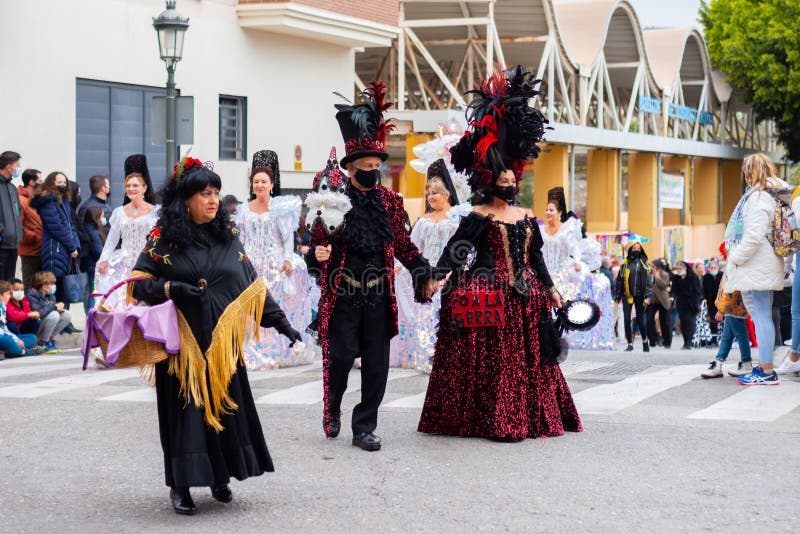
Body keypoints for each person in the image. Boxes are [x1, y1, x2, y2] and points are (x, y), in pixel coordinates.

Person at [127, 157, 302, 515]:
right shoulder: (162, 240)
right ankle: (180, 486)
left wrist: (282, 323)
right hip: (182, 347)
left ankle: (219, 475)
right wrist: (171, 288)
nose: (212, 200)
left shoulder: (228, 237)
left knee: (224, 411)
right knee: (184, 417)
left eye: (216, 193)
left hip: (222, 346)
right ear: (185, 200)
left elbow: (252, 285)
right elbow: (137, 285)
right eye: (204, 193)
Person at [418, 66, 581, 441]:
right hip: (491, 294)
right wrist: (436, 278)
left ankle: (526, 416)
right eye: (503, 181)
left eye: (513, 181)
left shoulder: (526, 216)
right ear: (490, 181)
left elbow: (536, 259)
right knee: (495, 365)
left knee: (530, 363)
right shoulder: (478, 215)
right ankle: (494, 418)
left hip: (526, 298)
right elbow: (455, 252)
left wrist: (554, 292)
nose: (509, 186)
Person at [306, 80, 440, 451]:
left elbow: (402, 243)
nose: (372, 171)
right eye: (365, 166)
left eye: (377, 165)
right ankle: (331, 407)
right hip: (344, 293)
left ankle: (364, 425)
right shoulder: (332, 200)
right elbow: (317, 245)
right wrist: (316, 255)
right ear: (351, 168)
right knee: (341, 357)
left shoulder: (391, 202)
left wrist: (422, 271)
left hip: (379, 295)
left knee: (378, 367)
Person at [233, 150, 314, 369]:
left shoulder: (281, 209)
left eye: (263, 181)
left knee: (274, 308)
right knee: (249, 310)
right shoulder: (242, 210)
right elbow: (238, 240)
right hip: (250, 266)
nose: (259, 185)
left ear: (271, 184)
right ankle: (250, 351)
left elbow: (287, 238)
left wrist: (287, 260)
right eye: (256, 181)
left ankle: (277, 351)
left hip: (274, 265)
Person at [391, 159, 470, 372]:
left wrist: (449, 273)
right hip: (427, 273)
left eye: (435, 192)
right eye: (428, 194)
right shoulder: (424, 221)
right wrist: (400, 266)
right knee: (424, 313)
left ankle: (448, 354)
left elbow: (463, 249)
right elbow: (412, 247)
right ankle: (428, 354)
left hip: (451, 274)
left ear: (446, 194)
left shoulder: (457, 219)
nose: (431, 197)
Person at [724, 153, 790, 385]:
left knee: (762, 317)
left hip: (757, 263)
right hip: (763, 262)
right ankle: (765, 368)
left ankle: (766, 370)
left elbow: (753, 237)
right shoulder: (770, 195)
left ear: (751, 172)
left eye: (746, 170)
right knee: (763, 316)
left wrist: (735, 258)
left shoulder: (759, 197)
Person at [541, 187, 612, 350]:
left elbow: (575, 249)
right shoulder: (541, 231)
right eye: (546, 210)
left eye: (551, 210)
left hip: (561, 273)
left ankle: (566, 337)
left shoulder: (566, 231)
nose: (548, 212)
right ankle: (548, 337)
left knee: (565, 303)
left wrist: (578, 262)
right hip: (545, 273)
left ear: (559, 213)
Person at [95, 154, 158, 310]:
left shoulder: (155, 212)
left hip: (146, 264)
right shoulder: (119, 212)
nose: (131, 189)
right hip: (125, 264)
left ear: (144, 188)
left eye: (135, 185)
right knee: (122, 304)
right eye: (128, 186)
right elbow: (112, 239)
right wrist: (103, 259)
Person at [29, 172, 80, 309]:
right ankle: (55, 316)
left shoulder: (64, 201)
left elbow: (70, 225)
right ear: (51, 183)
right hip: (55, 248)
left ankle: (65, 318)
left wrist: (75, 245)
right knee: (54, 284)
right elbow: (56, 227)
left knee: (64, 285)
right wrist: (71, 247)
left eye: (64, 182)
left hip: (66, 248)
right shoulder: (48, 201)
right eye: (59, 183)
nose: (62, 185)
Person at [701, 275, 752, 378]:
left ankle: (746, 364)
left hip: (733, 306)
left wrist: (721, 310)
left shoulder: (734, 262)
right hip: (735, 305)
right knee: (727, 337)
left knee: (740, 336)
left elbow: (730, 289)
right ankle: (719, 364)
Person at [614, 241, 653, 352]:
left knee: (640, 319)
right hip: (627, 295)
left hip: (641, 295)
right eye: (634, 248)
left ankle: (645, 341)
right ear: (630, 249)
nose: (636, 250)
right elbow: (619, 281)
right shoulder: (625, 263)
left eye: (638, 248)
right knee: (627, 319)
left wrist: (648, 297)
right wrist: (617, 297)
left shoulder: (645, 264)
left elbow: (650, 283)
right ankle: (630, 344)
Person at [27, 270, 71, 352]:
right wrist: (54, 306)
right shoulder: (31, 295)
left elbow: (52, 307)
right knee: (54, 315)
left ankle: (49, 338)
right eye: (51, 284)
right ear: (43, 285)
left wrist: (60, 306)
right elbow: (39, 313)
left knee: (66, 314)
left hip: (44, 323)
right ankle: (44, 341)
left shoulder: (50, 295)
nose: (53, 286)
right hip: (35, 326)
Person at [0, 280, 42, 357]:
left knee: (32, 338)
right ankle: (25, 352)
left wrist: (16, 339)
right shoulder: (5, 305)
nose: (9, 296)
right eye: (8, 294)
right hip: (3, 336)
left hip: (8, 333)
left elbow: (4, 328)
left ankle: (7, 351)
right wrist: (14, 340)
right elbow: (11, 318)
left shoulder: (3, 307)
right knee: (8, 340)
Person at [17, 168, 44, 288]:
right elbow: (19, 226)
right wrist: (35, 237)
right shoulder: (21, 200)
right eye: (40, 180)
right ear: (32, 182)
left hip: (41, 249)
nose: (42, 184)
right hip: (30, 252)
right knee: (30, 285)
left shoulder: (37, 200)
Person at [0, 151, 23, 280]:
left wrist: (20, 232)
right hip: (1, 244)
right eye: (17, 165)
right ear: (9, 167)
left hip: (13, 245)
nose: (19, 168)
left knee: (9, 284)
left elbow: (17, 212)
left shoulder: (12, 187)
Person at [81, 206, 107, 310]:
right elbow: (98, 250)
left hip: (90, 264)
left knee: (90, 290)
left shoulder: (88, 228)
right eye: (102, 215)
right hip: (94, 265)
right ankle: (91, 314)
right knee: (93, 291)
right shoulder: (93, 231)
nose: (103, 218)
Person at [646, 259, 673, 348]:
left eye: (653, 266)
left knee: (665, 322)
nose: (651, 268)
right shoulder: (648, 274)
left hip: (663, 301)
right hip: (652, 300)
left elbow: (664, 286)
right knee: (649, 320)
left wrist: (657, 277)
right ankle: (653, 340)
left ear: (657, 267)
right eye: (651, 266)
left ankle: (667, 342)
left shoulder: (665, 274)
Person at [702, 260, 723, 346]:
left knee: (723, 320)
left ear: (718, 268)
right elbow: (703, 289)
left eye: (714, 267)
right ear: (708, 268)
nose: (713, 269)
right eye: (711, 268)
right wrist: (704, 298)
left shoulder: (722, 275)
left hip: (721, 301)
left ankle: (722, 339)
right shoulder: (706, 277)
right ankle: (714, 340)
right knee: (713, 320)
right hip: (710, 301)